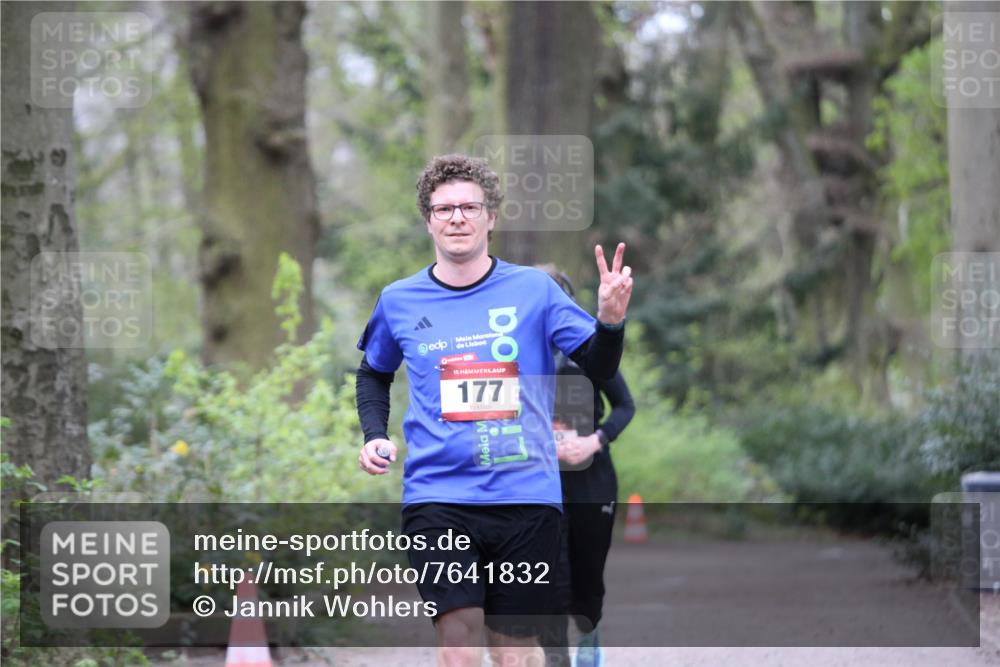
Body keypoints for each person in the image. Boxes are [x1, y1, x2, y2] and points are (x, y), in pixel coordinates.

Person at [354, 154, 634, 667]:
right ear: (429, 220)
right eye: (444, 209)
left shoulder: (534, 290)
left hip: (525, 496)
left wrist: (611, 322)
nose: (457, 218)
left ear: (491, 217)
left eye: (469, 207)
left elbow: (598, 365)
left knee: (514, 652)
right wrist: (374, 433)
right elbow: (373, 373)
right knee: (458, 643)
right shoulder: (399, 300)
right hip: (437, 496)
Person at [539, 267, 635, 667]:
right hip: (537, 479)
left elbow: (625, 406)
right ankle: (553, 656)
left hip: (590, 479)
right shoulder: (511, 353)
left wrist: (592, 442)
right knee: (546, 576)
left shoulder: (586, 349)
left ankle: (590, 636)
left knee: (588, 574)